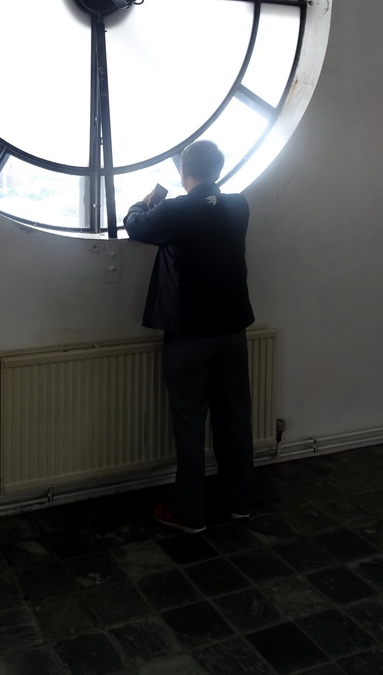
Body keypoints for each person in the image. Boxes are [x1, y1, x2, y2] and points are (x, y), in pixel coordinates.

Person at [123, 140, 255, 533]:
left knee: (189, 422)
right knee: (235, 418)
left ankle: (190, 512)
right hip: (232, 329)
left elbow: (136, 229)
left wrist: (141, 203)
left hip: (190, 334)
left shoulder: (176, 210)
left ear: (185, 172)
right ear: (219, 168)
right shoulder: (239, 205)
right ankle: (240, 503)